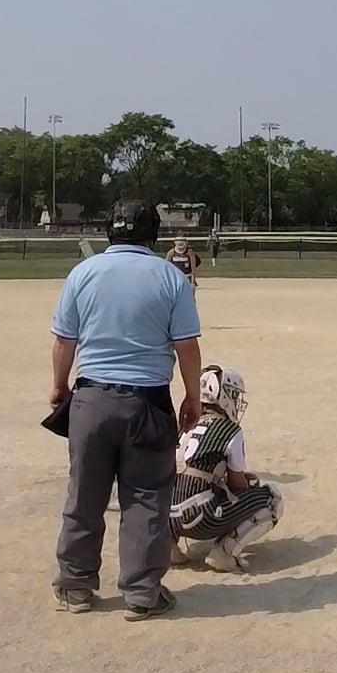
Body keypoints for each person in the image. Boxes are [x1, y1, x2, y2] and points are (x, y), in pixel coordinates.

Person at [49, 199, 203, 622]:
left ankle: (75, 586)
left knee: (84, 494)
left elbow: (64, 341)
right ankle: (142, 593)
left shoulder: (84, 272)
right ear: (153, 233)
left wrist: (59, 386)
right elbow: (186, 346)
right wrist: (192, 396)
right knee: (147, 499)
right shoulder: (170, 277)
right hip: (147, 401)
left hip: (91, 399)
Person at [171, 365, 282, 573]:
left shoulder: (187, 424)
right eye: (234, 395)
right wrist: (247, 486)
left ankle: (167, 545)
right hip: (201, 518)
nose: (236, 401)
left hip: (167, 515)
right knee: (272, 499)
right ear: (222, 395)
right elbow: (237, 485)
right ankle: (224, 553)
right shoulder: (229, 430)